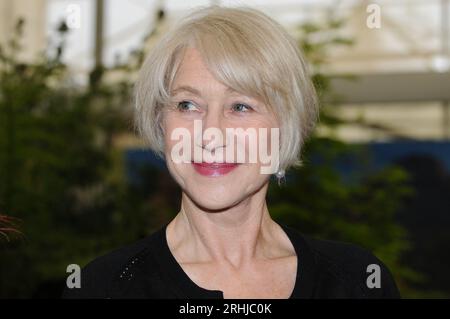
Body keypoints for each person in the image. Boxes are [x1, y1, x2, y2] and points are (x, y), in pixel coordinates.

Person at [63, 6, 400, 299]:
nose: (211, 134)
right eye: (188, 104)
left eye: (240, 106)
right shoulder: (104, 288)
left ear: (285, 125)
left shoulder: (357, 283)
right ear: (160, 121)